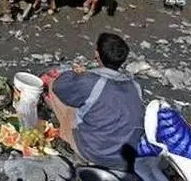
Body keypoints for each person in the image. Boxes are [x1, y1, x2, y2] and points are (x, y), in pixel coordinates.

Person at [47, 33, 143, 170]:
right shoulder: (136, 87)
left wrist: (76, 74)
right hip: (125, 158)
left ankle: (66, 140)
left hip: (94, 153)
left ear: (97, 54)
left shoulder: (92, 81)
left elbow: (59, 86)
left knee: (55, 87)